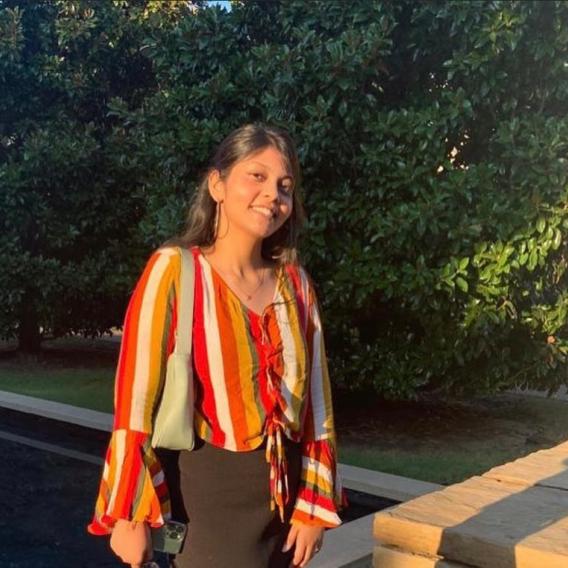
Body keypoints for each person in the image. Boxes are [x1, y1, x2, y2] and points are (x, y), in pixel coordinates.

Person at [87, 123, 346, 567]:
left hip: (282, 506)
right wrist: (129, 515)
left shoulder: (296, 285)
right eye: (257, 176)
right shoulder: (174, 269)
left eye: (285, 186)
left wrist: (313, 507)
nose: (273, 195)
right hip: (203, 499)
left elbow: (317, 405)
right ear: (217, 184)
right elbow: (135, 396)